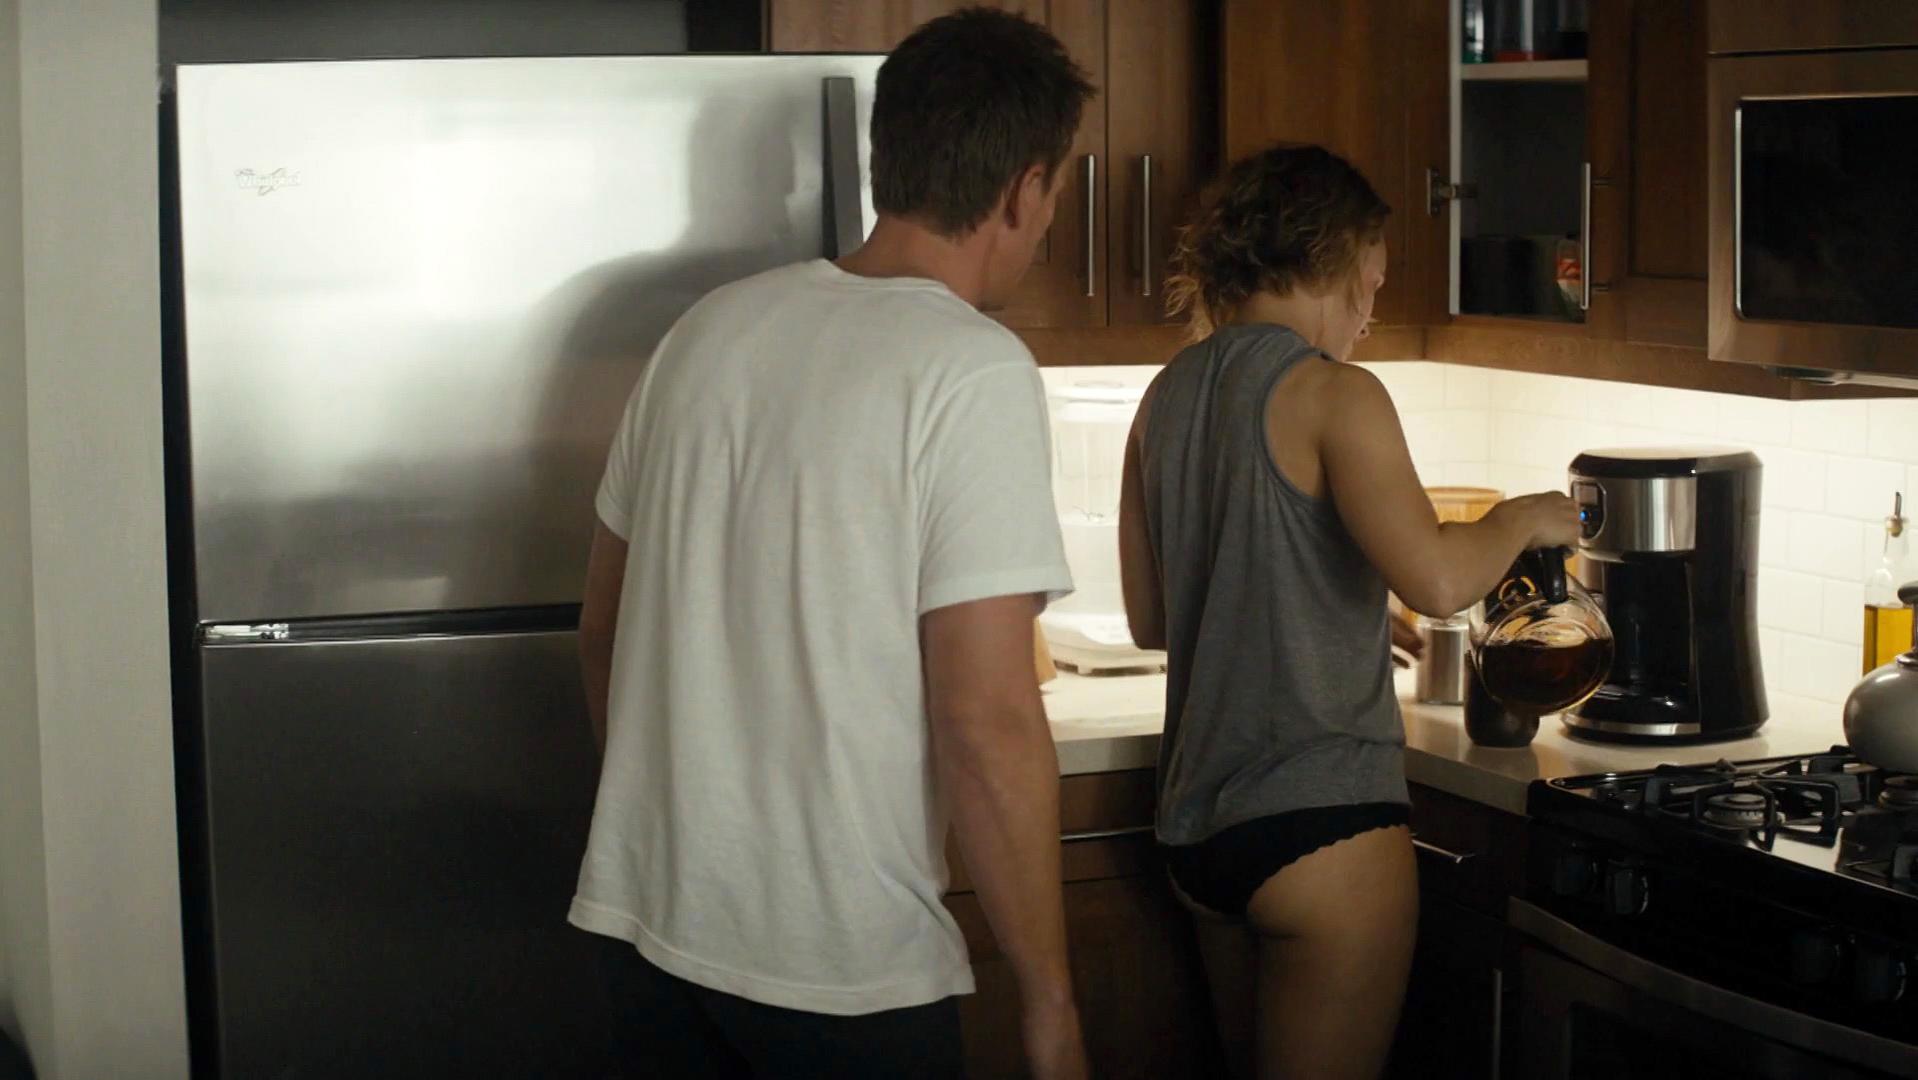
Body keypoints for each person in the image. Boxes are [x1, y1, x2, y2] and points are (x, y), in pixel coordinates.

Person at [571, 9, 1096, 1080]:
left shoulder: (707, 330)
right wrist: (1048, 999)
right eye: (1053, 198)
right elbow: (985, 718)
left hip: (648, 939)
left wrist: (676, 832)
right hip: (838, 976)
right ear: (1025, 189)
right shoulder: (972, 369)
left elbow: (603, 629)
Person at [1116, 145, 1580, 1080]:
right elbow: (1440, 581)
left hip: (1200, 832)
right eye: (1372, 282)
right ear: (1329, 258)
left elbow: (1154, 621)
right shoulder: (1336, 392)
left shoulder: (1165, 396)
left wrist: (1329, 607)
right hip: (1321, 825)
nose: (1370, 311)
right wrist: (1524, 517)